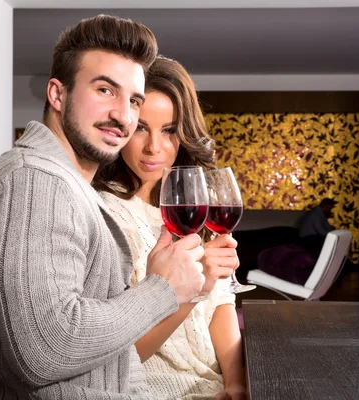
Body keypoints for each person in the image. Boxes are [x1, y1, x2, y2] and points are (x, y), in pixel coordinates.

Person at [0, 15, 207, 399]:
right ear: (57, 94)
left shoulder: (63, 183)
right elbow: (46, 350)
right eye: (105, 90)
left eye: (133, 100)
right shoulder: (36, 181)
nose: (123, 115)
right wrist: (163, 289)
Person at [94, 56, 247, 400]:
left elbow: (220, 303)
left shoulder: (189, 207)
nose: (154, 147)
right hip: (158, 389)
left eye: (169, 131)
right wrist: (193, 291)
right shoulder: (103, 215)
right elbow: (120, 359)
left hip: (214, 381)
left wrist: (236, 382)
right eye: (141, 128)